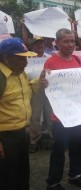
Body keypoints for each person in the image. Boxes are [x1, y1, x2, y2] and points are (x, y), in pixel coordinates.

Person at [43, 28, 81, 190]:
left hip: (77, 114)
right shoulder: (51, 62)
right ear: (57, 43)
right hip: (61, 116)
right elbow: (45, 85)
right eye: (66, 41)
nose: (70, 45)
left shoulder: (77, 59)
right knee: (59, 149)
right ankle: (53, 182)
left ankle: (75, 175)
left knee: (78, 145)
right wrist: (45, 82)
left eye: (72, 41)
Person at [0, 37, 37, 190]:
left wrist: (39, 82)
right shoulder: (1, 78)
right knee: (7, 178)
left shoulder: (20, 73)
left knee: (22, 174)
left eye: (26, 58)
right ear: (6, 58)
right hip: (5, 137)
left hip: (21, 134)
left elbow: (25, 91)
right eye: (20, 59)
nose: (26, 63)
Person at [28, 37, 53, 153]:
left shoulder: (50, 58)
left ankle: (53, 138)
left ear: (44, 44)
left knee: (50, 115)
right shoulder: (28, 59)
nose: (39, 45)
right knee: (35, 117)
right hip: (35, 91)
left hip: (49, 90)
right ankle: (34, 140)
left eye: (41, 43)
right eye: (37, 43)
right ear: (33, 45)